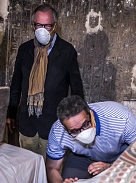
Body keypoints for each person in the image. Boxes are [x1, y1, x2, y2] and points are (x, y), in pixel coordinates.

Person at [6, 4, 84, 157]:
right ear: (32, 26)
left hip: (53, 124)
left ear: (55, 26)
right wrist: (11, 113)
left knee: (50, 172)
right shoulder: (25, 50)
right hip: (27, 123)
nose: (43, 29)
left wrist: (77, 118)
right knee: (27, 169)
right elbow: (16, 84)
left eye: (47, 25)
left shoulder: (67, 51)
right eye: (39, 25)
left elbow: (76, 88)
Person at [46, 95, 136, 183]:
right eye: (75, 131)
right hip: (83, 158)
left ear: (91, 113)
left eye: (85, 124)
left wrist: (112, 167)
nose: (83, 132)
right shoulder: (58, 132)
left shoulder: (121, 118)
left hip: (120, 156)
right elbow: (52, 168)